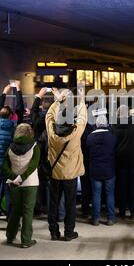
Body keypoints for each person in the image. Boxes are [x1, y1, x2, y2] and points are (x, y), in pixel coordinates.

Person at [46, 88, 87, 241]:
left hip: (55, 172)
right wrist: (81, 99)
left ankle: (54, 232)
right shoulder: (76, 132)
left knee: (53, 203)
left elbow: (49, 116)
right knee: (70, 204)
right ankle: (69, 232)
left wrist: (59, 100)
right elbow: (82, 116)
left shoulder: (51, 132)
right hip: (70, 174)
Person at [2, 124, 40, 248]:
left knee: (15, 211)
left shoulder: (10, 147)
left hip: (14, 183)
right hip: (30, 183)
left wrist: (14, 177)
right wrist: (22, 178)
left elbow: (4, 167)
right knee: (28, 212)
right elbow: (33, 166)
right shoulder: (35, 147)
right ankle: (26, 240)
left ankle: (10, 236)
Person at [112, 105, 134, 220]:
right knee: (133, 187)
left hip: (120, 161)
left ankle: (122, 211)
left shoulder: (114, 126)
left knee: (121, 187)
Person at [86, 115, 117, 226]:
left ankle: (95, 219)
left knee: (96, 194)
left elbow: (87, 151)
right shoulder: (112, 137)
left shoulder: (90, 137)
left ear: (97, 124)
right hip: (109, 169)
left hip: (95, 169)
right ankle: (111, 218)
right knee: (110, 194)